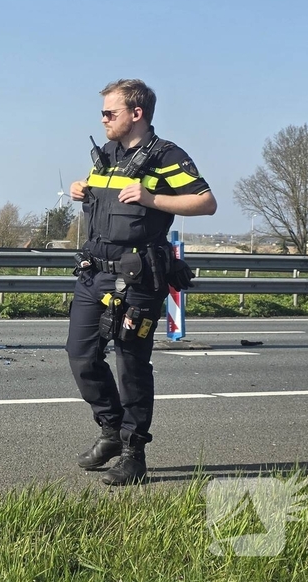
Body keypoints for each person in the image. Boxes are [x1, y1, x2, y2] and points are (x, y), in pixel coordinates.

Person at [68, 79, 217, 486]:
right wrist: (82, 190)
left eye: (110, 112)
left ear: (136, 114)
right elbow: (105, 204)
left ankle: (134, 454)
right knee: (81, 356)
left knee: (131, 364)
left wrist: (152, 199)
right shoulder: (107, 156)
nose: (103, 119)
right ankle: (110, 430)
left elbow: (206, 202)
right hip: (94, 272)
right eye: (102, 112)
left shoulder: (166, 155)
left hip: (137, 277)